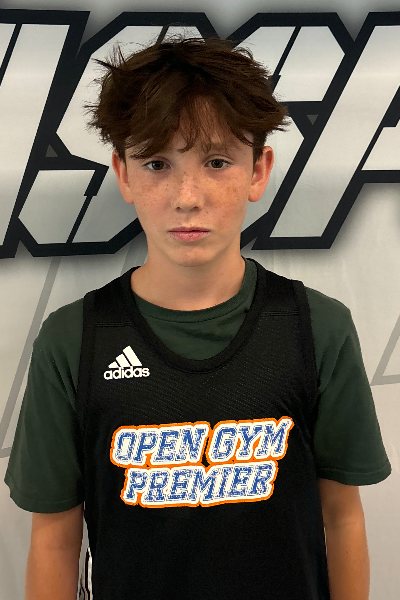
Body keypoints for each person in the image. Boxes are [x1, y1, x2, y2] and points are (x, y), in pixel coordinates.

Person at [5, 36, 391, 600]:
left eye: (216, 162)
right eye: (157, 163)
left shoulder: (317, 327)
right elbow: (54, 543)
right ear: (124, 173)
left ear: (258, 170)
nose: (188, 196)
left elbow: (344, 518)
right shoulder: (73, 340)